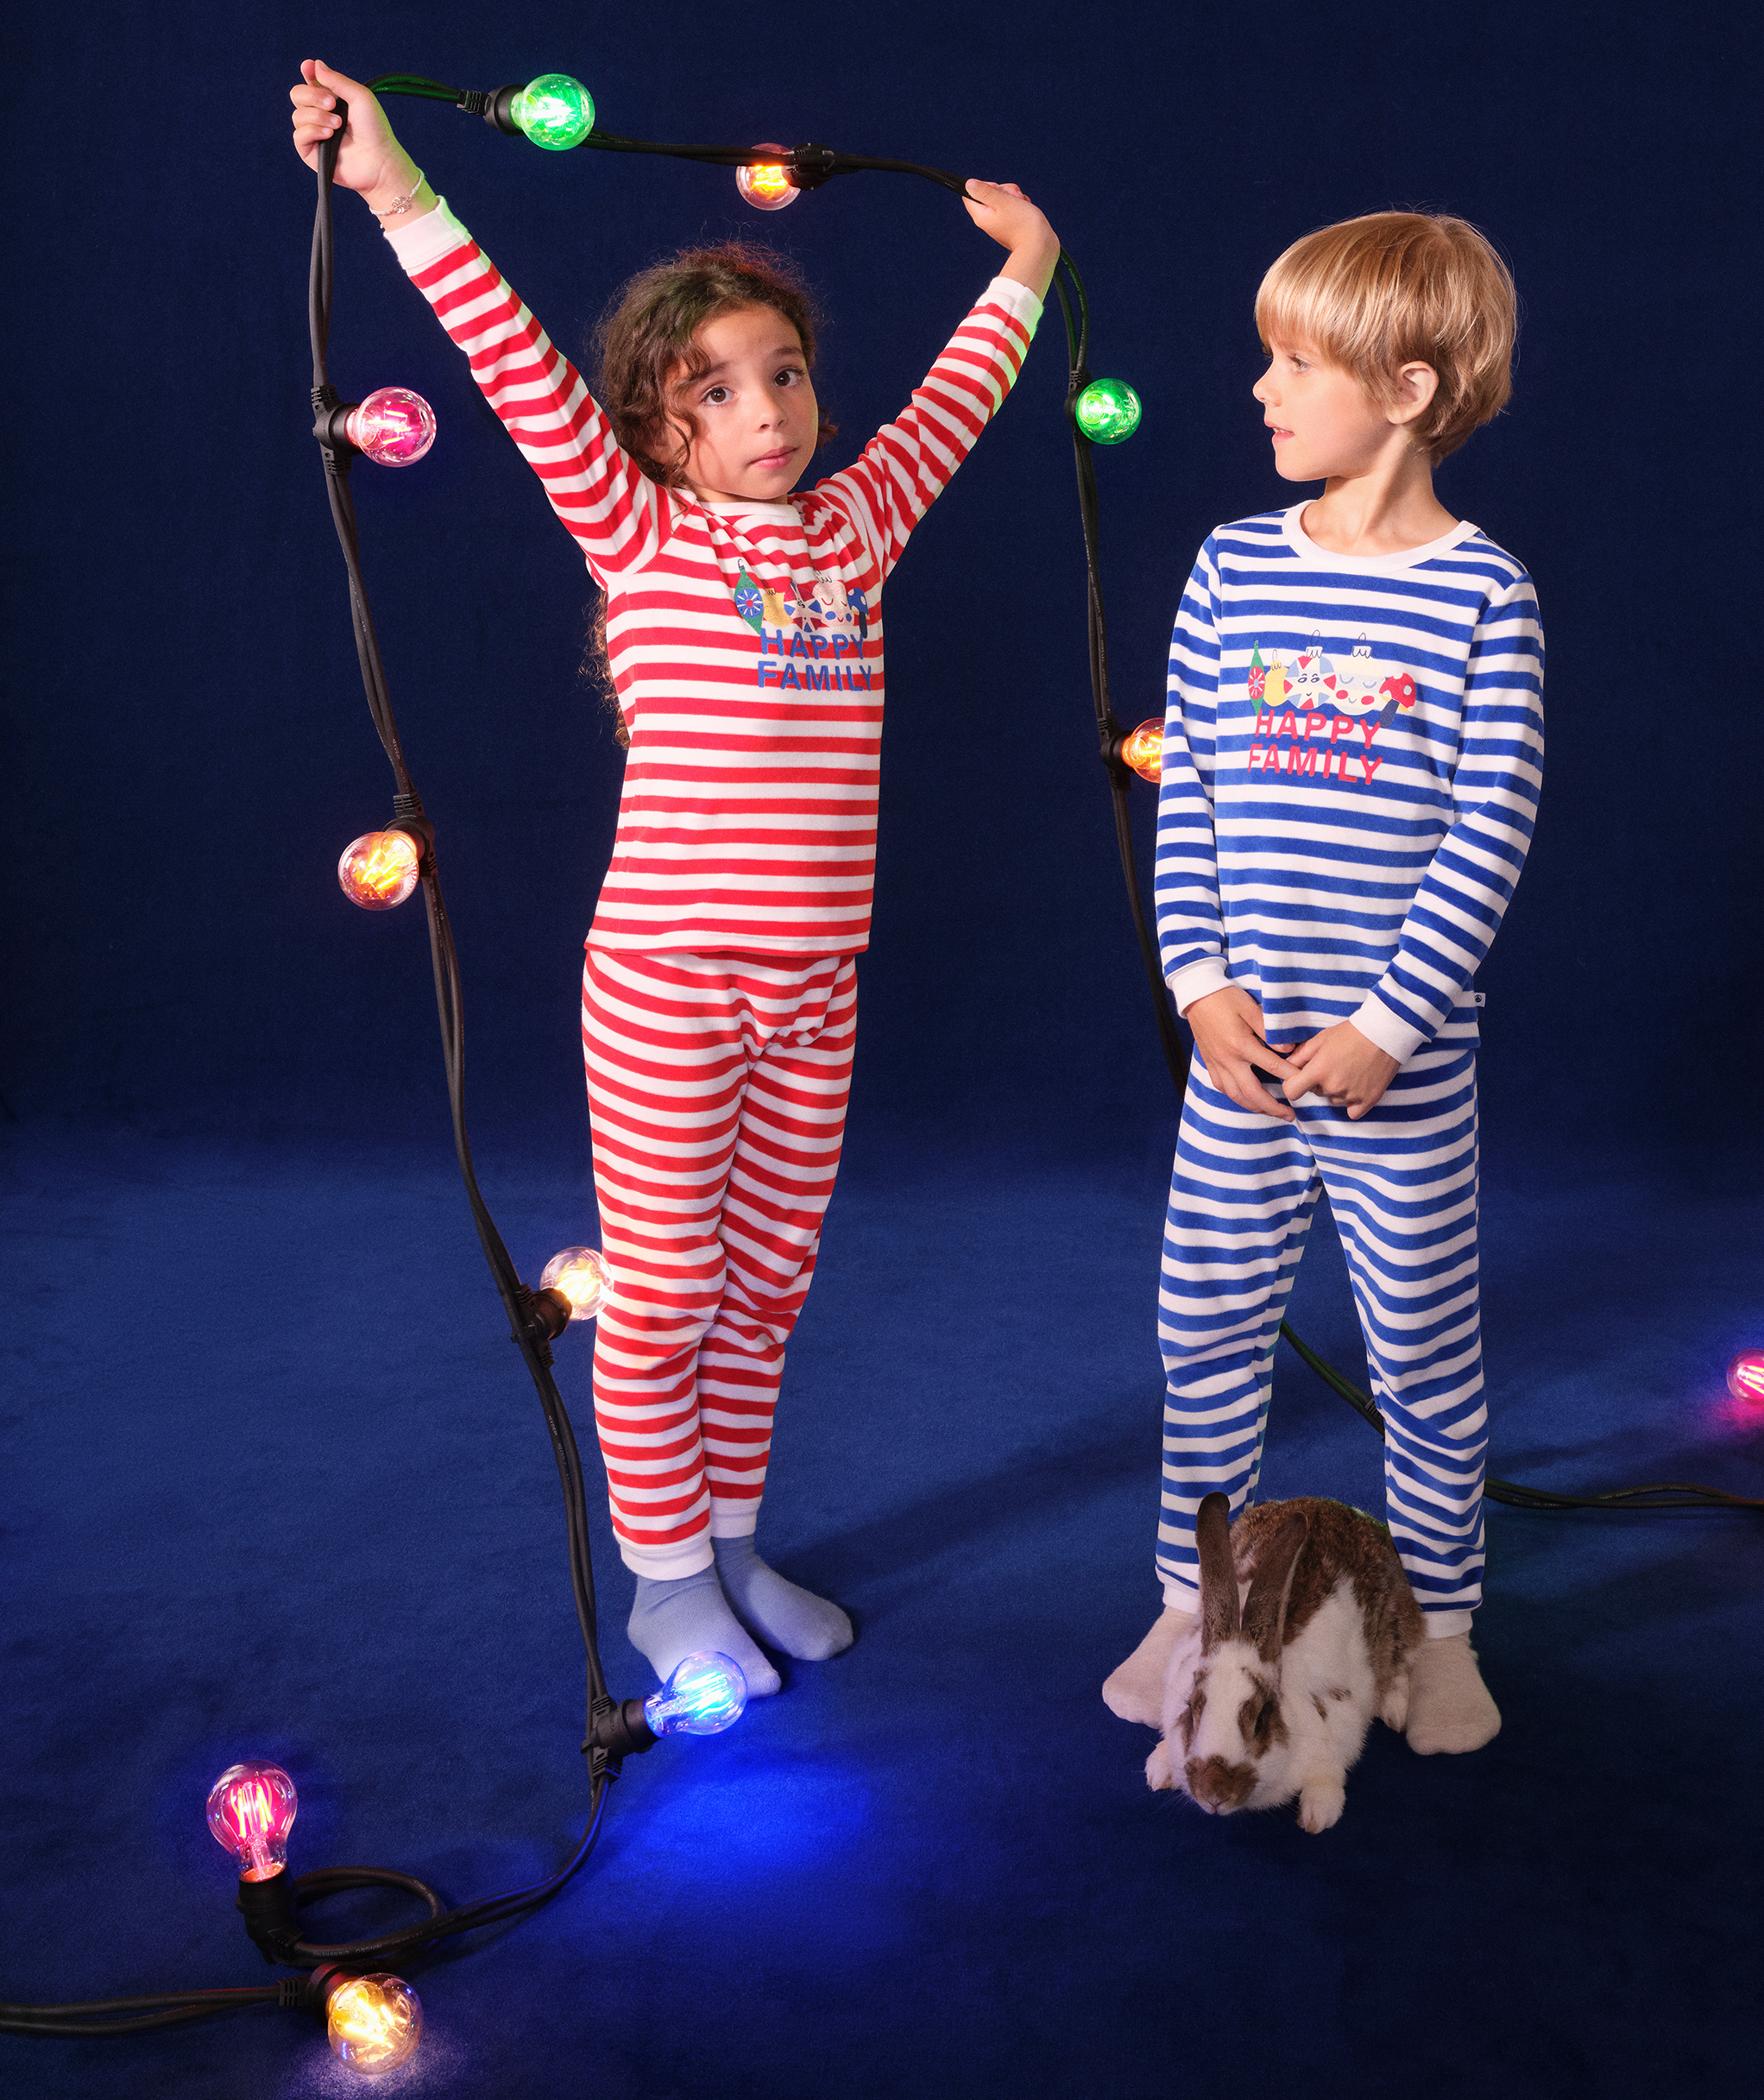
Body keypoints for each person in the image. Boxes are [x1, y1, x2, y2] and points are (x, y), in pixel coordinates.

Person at [290, 61, 1061, 1697]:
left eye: (783, 375)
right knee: (661, 1296)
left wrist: (1029, 267)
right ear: (654, 426)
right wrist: (391, 182)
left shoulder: (855, 531)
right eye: (715, 392)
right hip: (670, 984)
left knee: (767, 1288)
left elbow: (956, 402)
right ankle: (661, 1586)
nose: (765, 411)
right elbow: (506, 353)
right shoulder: (638, 534)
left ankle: (731, 1544)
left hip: (815, 988)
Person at [1101, 211, 1544, 1755]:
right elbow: (1192, 798)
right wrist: (1199, 986)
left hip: (1390, 1077)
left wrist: (1386, 1026)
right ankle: (1190, 1602)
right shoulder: (1230, 569)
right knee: (1205, 1330)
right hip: (1239, 1063)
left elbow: (1490, 830)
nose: (1260, 388)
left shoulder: (1482, 594)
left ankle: (1440, 1626)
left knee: (1419, 1350)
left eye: (1295, 362)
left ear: (1407, 390)